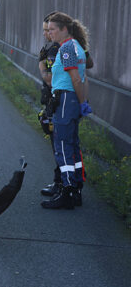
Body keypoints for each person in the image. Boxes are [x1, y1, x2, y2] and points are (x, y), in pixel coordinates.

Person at [41, 12, 91, 209]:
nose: (49, 33)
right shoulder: (78, 47)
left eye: (52, 29)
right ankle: (76, 187)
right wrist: (83, 102)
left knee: (62, 146)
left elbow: (76, 80)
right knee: (73, 145)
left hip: (65, 99)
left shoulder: (67, 48)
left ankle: (67, 191)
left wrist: (79, 102)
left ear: (64, 29)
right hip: (71, 100)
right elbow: (83, 78)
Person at [37, 12, 62, 197]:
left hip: (58, 104)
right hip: (61, 103)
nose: (46, 34)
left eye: (48, 30)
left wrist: (41, 65)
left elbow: (50, 80)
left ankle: (60, 184)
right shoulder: (68, 46)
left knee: (59, 147)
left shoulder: (54, 49)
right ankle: (69, 184)